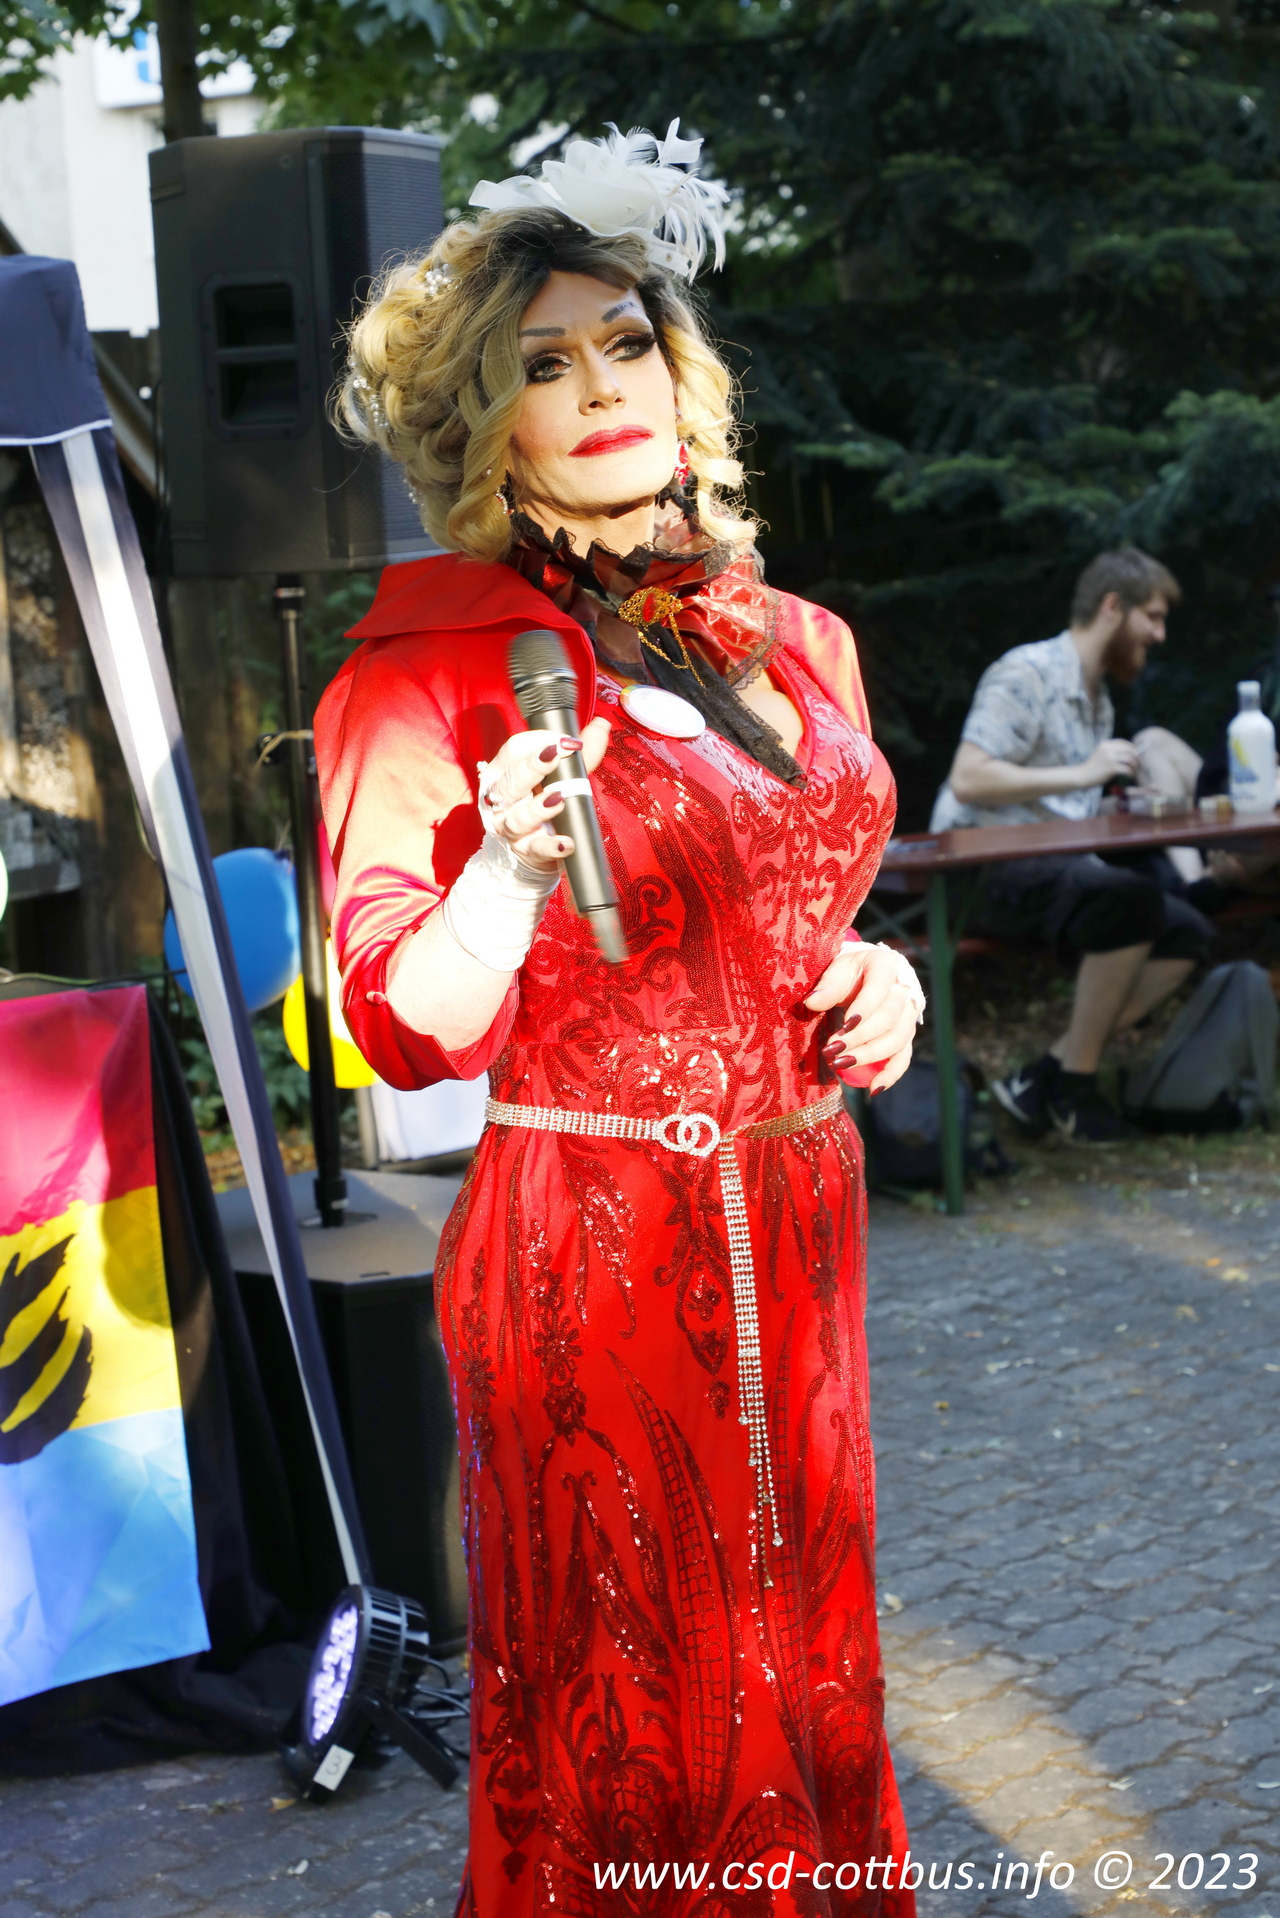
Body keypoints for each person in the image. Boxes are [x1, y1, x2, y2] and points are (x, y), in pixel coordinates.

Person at [314, 125, 923, 1916]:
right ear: (481, 423)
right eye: (541, 365)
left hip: (800, 1223)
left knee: (802, 1659)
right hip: (591, 1250)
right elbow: (402, 1027)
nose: (596, 390)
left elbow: (804, 892)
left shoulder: (793, 640)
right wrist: (505, 874)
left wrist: (878, 975)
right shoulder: (424, 671)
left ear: (680, 368)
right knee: (639, 1700)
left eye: (625, 344)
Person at [931, 547, 1214, 1143]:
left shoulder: (1096, 699)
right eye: (1153, 617)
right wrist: (1085, 773)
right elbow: (969, 777)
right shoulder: (1027, 673)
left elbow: (1059, 803)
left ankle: (1047, 1077)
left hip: (1050, 866)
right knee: (1129, 902)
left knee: (1188, 930)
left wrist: (1111, 806)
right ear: (1113, 607)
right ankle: (1075, 1094)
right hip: (978, 867)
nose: (1159, 635)